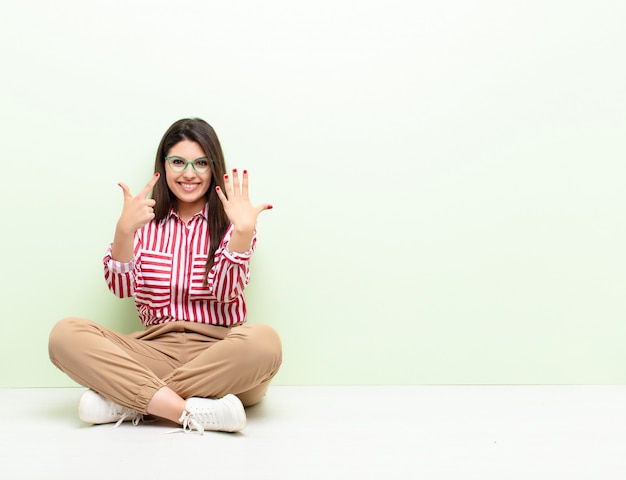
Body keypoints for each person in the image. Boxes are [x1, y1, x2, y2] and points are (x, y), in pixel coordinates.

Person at [48, 118, 282, 434]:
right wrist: (123, 231)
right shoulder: (143, 220)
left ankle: (134, 401)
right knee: (65, 334)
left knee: (265, 343)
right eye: (178, 162)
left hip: (220, 357)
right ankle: (187, 410)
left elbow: (227, 292)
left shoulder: (232, 221)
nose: (189, 173)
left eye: (201, 163)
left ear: (214, 168)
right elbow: (121, 287)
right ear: (163, 166)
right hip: (153, 350)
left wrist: (241, 233)